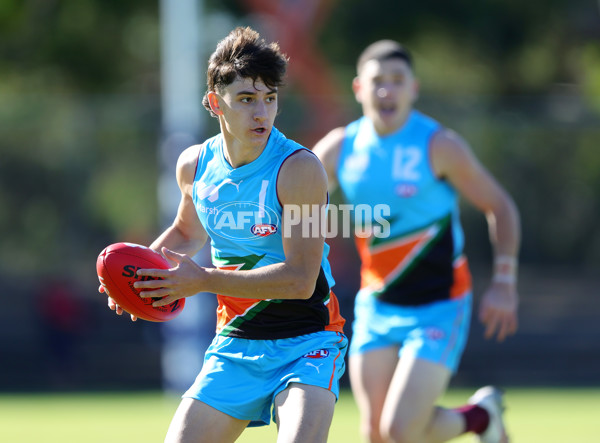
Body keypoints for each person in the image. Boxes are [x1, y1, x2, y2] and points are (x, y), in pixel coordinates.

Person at [102, 26, 346, 443]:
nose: (261, 113)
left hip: (308, 341)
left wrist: (203, 280)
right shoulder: (194, 166)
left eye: (269, 99)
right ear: (216, 103)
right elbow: (185, 231)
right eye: (246, 99)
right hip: (236, 341)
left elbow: (301, 280)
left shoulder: (299, 169)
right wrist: (140, 277)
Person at [313, 40, 520, 443]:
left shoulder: (439, 145)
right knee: (375, 433)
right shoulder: (341, 148)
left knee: (400, 429)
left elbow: (501, 207)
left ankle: (479, 418)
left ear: (414, 88)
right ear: (359, 89)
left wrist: (505, 281)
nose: (387, 91)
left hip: (439, 306)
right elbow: (290, 200)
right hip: (377, 304)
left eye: (397, 80)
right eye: (377, 81)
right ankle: (483, 416)